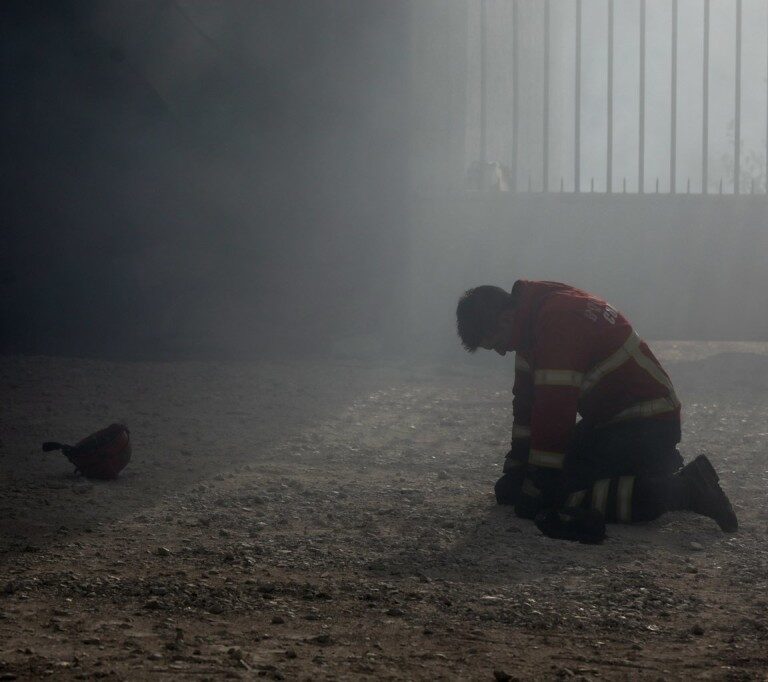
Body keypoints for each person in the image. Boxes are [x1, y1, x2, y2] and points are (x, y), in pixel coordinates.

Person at [456, 280, 738, 543]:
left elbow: (554, 411)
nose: (501, 353)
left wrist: (539, 483)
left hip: (645, 425)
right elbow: (526, 406)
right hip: (622, 423)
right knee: (517, 492)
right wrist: (518, 468)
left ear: (506, 320)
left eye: (495, 344)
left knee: (553, 496)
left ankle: (684, 491)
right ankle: (657, 466)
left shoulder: (557, 323)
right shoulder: (538, 319)